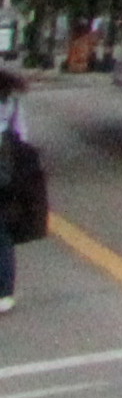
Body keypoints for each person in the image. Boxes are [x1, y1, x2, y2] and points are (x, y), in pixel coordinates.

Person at [1, 64, 41, 313]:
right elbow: (21, 135)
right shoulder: (11, 100)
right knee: (2, 232)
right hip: (6, 170)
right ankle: (4, 292)